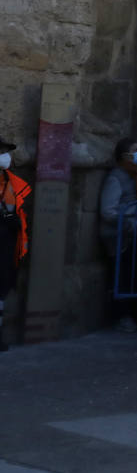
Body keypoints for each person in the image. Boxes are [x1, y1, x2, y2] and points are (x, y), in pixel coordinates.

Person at [100, 137, 137, 332]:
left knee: (134, 274)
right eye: (136, 149)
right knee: (121, 276)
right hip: (120, 234)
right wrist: (130, 222)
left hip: (135, 230)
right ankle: (121, 316)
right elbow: (108, 210)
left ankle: (136, 313)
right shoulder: (117, 177)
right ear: (125, 155)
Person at [0, 136, 32, 351]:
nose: (5, 156)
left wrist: (15, 224)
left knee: (2, 287)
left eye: (5, 151)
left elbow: (17, 210)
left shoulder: (12, 181)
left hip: (6, 241)